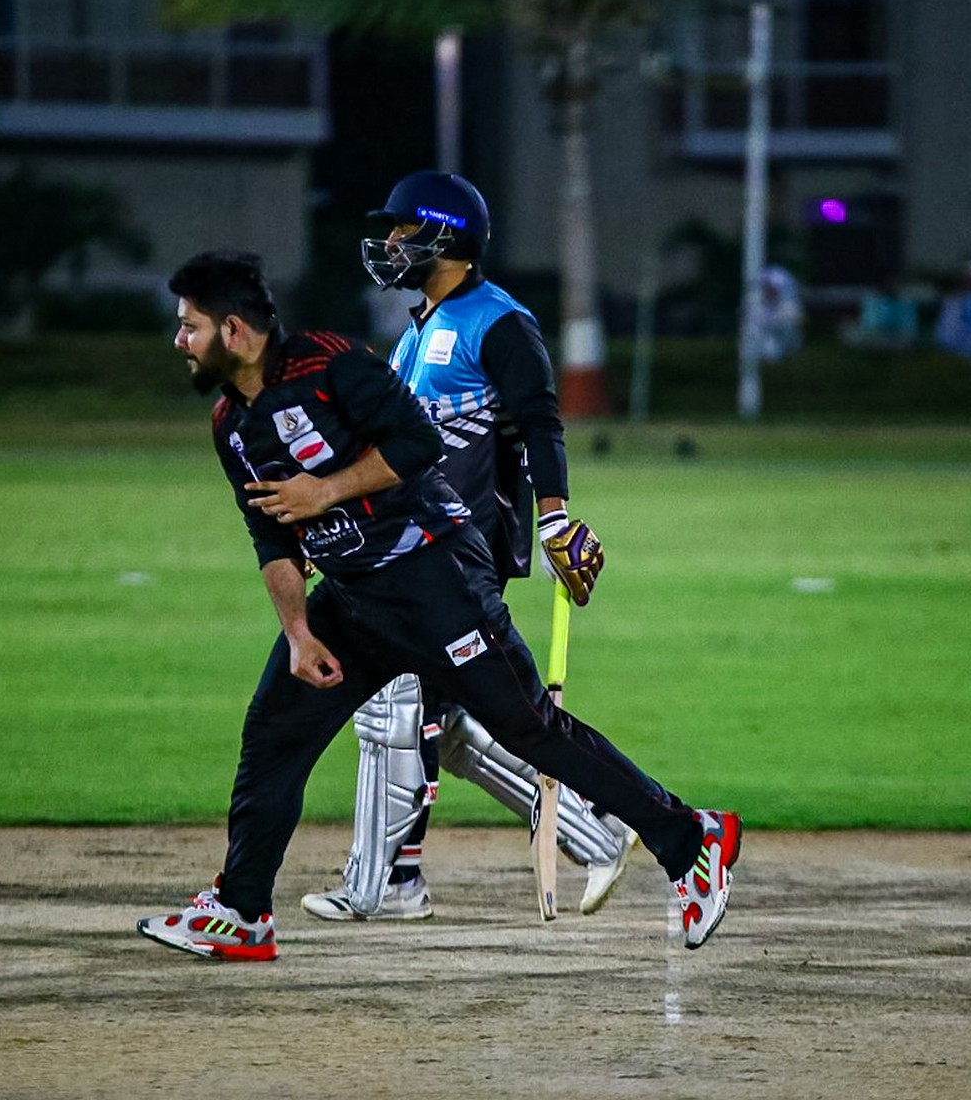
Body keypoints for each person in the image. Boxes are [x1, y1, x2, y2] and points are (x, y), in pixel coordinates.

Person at [137, 250, 740, 961]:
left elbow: (419, 443)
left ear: (235, 331)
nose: (180, 340)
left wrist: (324, 491)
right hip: (351, 601)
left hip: (435, 578)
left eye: (191, 326)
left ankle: (692, 840)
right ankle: (243, 912)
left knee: (528, 727)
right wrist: (297, 631)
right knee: (273, 734)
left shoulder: (332, 365)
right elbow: (269, 535)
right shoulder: (229, 425)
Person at [299, 171, 634, 925]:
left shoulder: (499, 322)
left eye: (403, 229)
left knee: (391, 708)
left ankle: (381, 885)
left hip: (459, 549)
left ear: (444, 236)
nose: (390, 243)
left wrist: (555, 520)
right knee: (445, 728)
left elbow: (540, 423)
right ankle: (594, 832)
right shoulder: (415, 331)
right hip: (405, 546)